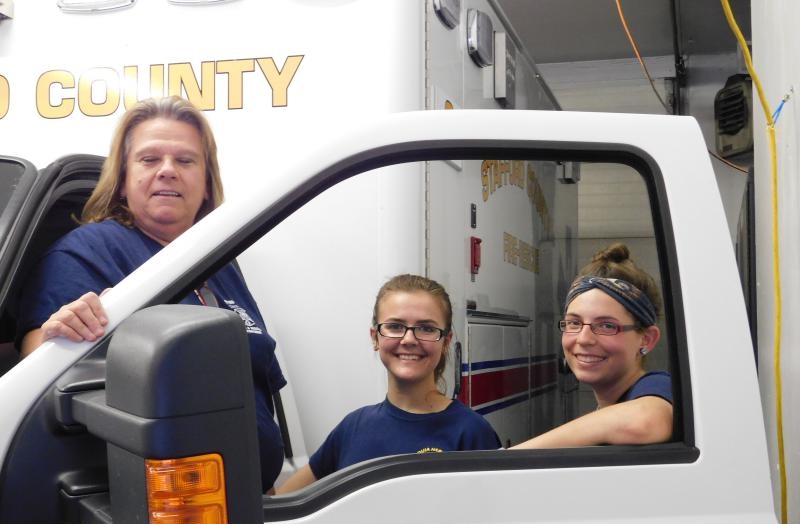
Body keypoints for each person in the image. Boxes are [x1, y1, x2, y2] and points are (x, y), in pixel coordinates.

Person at [15, 96, 286, 493]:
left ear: (207, 181)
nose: (168, 172)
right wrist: (61, 332)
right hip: (166, 512)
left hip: (249, 502)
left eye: (186, 160)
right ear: (123, 179)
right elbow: (38, 358)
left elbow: (258, 382)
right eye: (149, 159)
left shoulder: (221, 261)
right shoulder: (88, 250)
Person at [276, 274, 500, 494]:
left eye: (427, 328)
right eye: (395, 326)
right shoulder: (352, 428)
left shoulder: (471, 431)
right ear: (375, 337)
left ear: (446, 342)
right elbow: (278, 508)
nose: (409, 339)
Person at [513, 243, 672, 449]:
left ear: (647, 339)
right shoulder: (611, 407)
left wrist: (512, 456)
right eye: (574, 323)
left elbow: (645, 421)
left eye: (606, 325)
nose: (584, 338)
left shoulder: (658, 387)